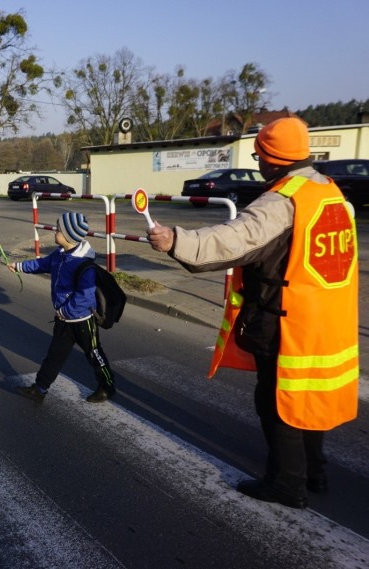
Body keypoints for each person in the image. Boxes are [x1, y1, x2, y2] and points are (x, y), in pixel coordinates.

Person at [147, 117, 358, 509]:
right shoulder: (327, 189)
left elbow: (234, 240)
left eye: (260, 156)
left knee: (277, 402)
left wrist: (176, 239)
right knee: (307, 397)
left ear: (272, 159)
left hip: (285, 320)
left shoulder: (283, 200)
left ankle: (286, 485)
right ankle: (315, 471)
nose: (258, 162)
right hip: (326, 319)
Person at [7, 211, 116, 403]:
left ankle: (107, 387)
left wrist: (64, 311)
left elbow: (84, 297)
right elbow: (41, 264)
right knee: (54, 356)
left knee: (94, 354)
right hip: (63, 320)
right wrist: (19, 267)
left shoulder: (82, 265)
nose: (55, 231)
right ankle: (40, 389)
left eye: (58, 229)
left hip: (82, 321)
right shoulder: (59, 255)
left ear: (68, 236)